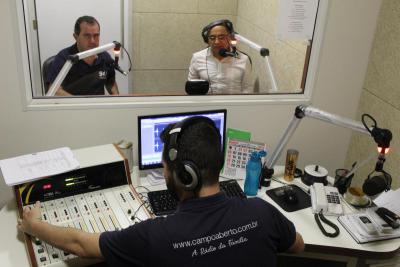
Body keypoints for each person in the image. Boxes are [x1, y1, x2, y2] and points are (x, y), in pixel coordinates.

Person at [17, 116, 304, 266]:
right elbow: (298, 245)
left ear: (183, 175)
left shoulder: (156, 236)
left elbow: (81, 245)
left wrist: (34, 225)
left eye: (166, 165)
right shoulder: (262, 211)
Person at [46, 15, 119, 96]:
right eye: (87, 36)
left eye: (96, 35)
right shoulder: (64, 57)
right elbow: (55, 91)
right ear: (76, 37)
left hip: (97, 106)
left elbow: (111, 85)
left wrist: (117, 102)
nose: (92, 41)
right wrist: (82, 105)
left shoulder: (105, 57)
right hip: (73, 106)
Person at [188, 19, 253, 94]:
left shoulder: (243, 59)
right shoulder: (197, 58)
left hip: (233, 104)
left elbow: (247, 89)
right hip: (207, 104)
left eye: (221, 37)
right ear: (207, 40)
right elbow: (192, 88)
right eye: (212, 38)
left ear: (230, 38)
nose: (217, 42)